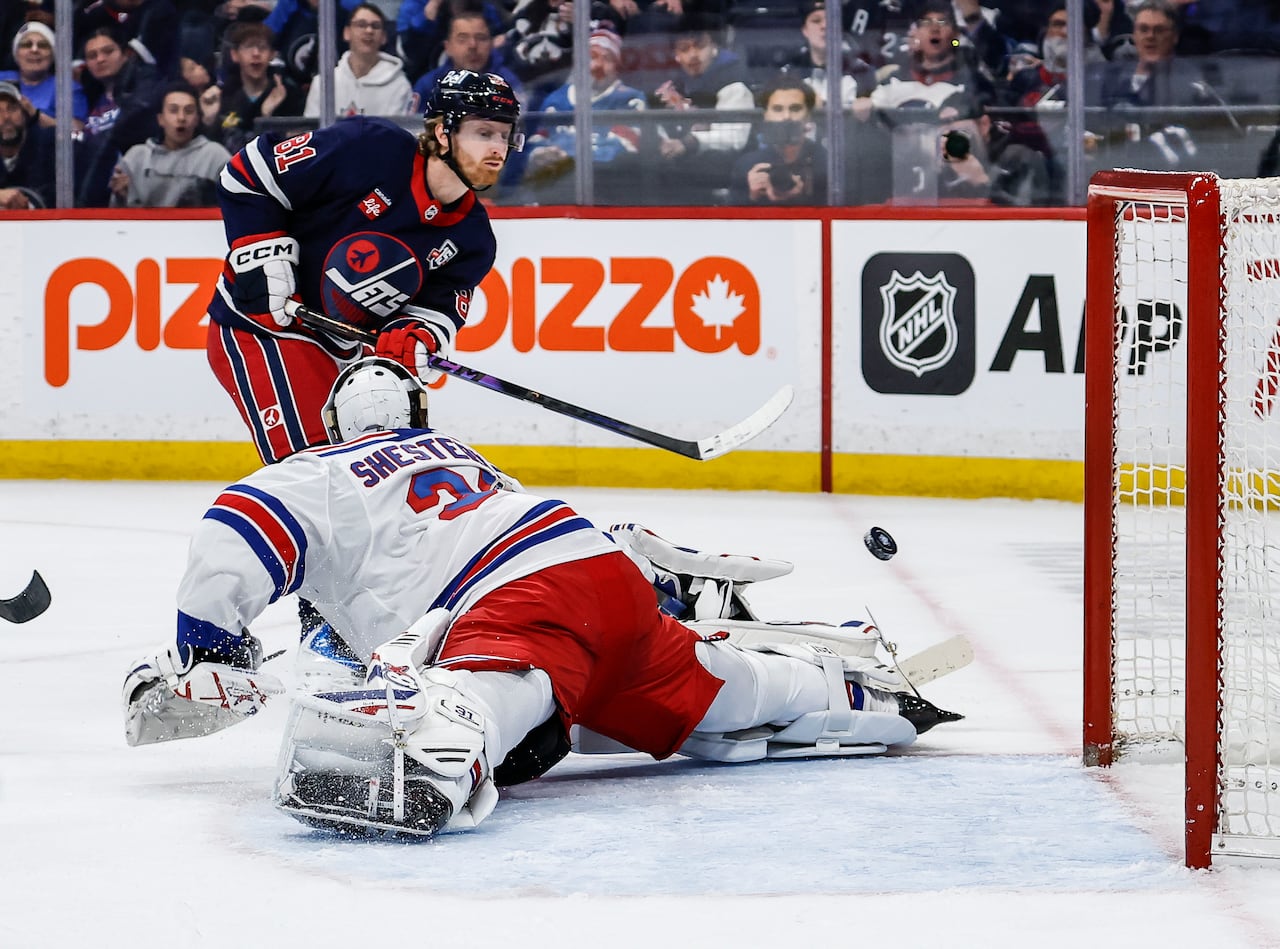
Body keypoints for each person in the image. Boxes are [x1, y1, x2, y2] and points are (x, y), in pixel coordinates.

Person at [121, 357, 962, 837]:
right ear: (417, 413)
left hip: (520, 602)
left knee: (495, 687)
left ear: (336, 426)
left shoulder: (316, 471)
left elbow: (235, 528)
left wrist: (211, 647)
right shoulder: (458, 452)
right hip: (598, 571)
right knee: (717, 691)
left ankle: (442, 742)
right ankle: (846, 681)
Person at [205, 67, 523, 465]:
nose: (498, 148)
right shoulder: (370, 147)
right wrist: (262, 252)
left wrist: (414, 335)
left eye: (504, 134)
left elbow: (437, 310)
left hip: (345, 349)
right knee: (316, 466)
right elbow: (247, 173)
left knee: (375, 469)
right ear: (443, 132)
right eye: (483, 133)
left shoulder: (473, 239)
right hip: (262, 327)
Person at [521, 24, 644, 204]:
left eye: (607, 58)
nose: (597, 65)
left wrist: (567, 158)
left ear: (617, 66)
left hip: (609, 192)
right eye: (592, 56)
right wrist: (540, 153)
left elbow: (623, 150)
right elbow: (538, 139)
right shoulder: (557, 99)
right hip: (555, 188)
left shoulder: (630, 99)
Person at [651, 13, 755, 204]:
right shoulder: (673, 86)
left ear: (714, 47)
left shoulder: (733, 84)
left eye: (699, 46)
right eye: (684, 49)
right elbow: (658, 128)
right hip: (681, 177)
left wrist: (689, 142)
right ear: (676, 56)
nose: (692, 55)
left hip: (723, 176)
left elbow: (735, 139)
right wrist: (663, 143)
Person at [75, 25, 163, 208]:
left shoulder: (142, 86)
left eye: (108, 51)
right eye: (92, 56)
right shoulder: (86, 96)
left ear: (125, 54)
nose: (100, 59)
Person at [109, 82, 232, 207]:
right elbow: (117, 215)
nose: (181, 118)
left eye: (189, 111)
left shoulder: (215, 156)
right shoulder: (137, 158)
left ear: (197, 119)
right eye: (173, 110)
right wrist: (120, 198)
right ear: (160, 119)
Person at [206, 20, 305, 155]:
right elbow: (220, 146)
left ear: (272, 54)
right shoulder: (224, 95)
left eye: (262, 47)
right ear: (235, 54)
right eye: (249, 47)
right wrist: (208, 121)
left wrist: (268, 118)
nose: (256, 53)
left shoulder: (289, 93)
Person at [302, 3, 414, 118]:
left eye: (375, 26)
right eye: (361, 24)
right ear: (346, 33)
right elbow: (312, 131)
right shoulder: (324, 83)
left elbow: (400, 134)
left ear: (384, 37)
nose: (369, 31)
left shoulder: (400, 85)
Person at [730, 76, 827, 206]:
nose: (786, 117)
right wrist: (752, 196)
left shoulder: (827, 163)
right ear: (766, 115)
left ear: (808, 115)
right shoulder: (747, 166)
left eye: (795, 109)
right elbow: (730, 222)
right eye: (777, 109)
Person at [779, 0, 875, 112]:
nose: (824, 26)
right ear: (805, 30)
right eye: (816, 21)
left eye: (831, 20)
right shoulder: (790, 72)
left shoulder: (861, 71)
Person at [0, 19, 87, 131]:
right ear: (16, 53)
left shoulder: (67, 87)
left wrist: (35, 115)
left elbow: (77, 129)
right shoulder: (2, 78)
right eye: (26, 45)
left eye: (43, 45)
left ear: (53, 55)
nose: (34, 50)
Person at [0, 80, 56, 209]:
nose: (6, 116)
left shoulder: (48, 144)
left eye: (12, 108)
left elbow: (77, 138)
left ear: (25, 112)